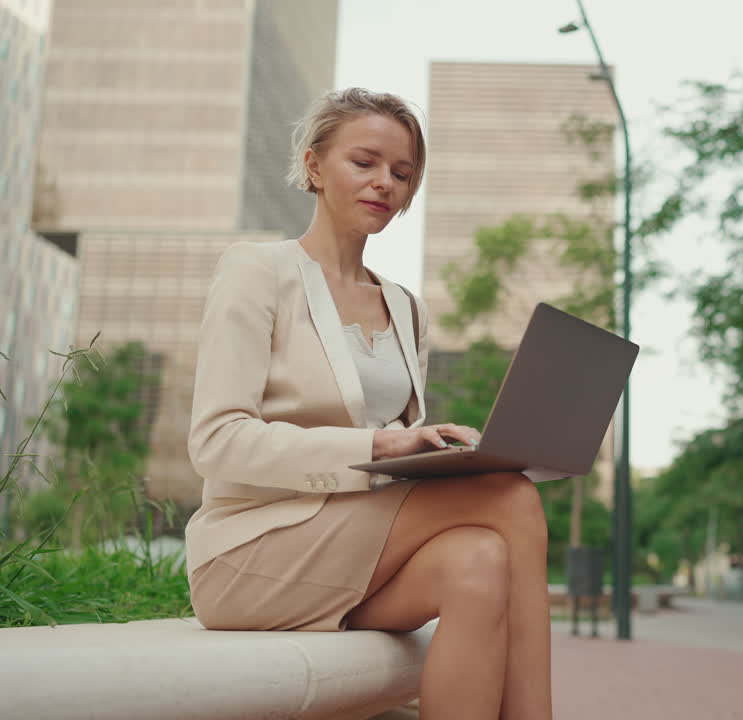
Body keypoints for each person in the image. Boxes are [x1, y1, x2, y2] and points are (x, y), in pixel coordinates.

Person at [184, 88, 552, 720]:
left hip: (358, 547)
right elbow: (216, 440)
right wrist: (379, 445)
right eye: (365, 162)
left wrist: (433, 448)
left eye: (402, 173)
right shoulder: (257, 271)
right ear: (314, 165)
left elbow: (398, 454)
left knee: (479, 561)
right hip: (252, 553)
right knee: (512, 497)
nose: (385, 182)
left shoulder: (407, 308)